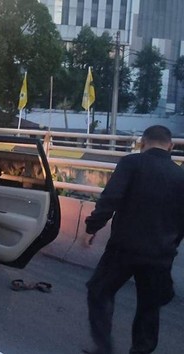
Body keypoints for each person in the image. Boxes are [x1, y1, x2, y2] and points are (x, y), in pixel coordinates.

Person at [84, 125, 184, 354]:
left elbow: (111, 199)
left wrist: (92, 227)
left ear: (142, 143)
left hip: (124, 249)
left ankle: (104, 347)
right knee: (149, 308)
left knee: (99, 291)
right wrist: (171, 246)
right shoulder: (181, 176)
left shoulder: (131, 163)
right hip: (160, 255)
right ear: (171, 146)